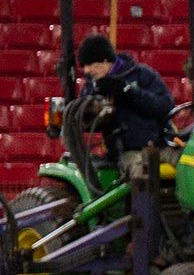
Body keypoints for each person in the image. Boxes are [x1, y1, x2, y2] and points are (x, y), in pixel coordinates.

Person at [75, 34, 175, 179]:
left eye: (90, 64)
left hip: (162, 145)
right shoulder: (91, 87)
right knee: (143, 174)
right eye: (84, 66)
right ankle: (143, 203)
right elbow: (85, 120)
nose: (86, 71)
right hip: (128, 152)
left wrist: (128, 91)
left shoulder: (142, 74)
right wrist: (96, 101)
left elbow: (164, 106)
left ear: (105, 61)